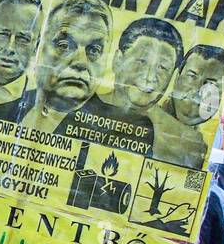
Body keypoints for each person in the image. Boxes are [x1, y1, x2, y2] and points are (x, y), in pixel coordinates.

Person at [55, 16, 180, 155]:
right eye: (141, 61)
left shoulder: (177, 138)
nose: (150, 77)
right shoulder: (77, 109)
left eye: (162, 67)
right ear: (118, 60)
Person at [18, 0, 113, 134]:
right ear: (38, 48)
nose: (81, 62)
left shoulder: (113, 130)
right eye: (64, 45)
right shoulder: (7, 106)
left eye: (94, 49)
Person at [155, 45, 224, 169]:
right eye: (192, 76)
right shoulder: (146, 120)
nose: (197, 90)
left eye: (211, 83)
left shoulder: (215, 135)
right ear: (176, 78)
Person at [0, 0, 43, 121]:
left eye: (23, 39)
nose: (10, 48)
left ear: (35, 47)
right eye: (3, 34)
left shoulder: (43, 107)